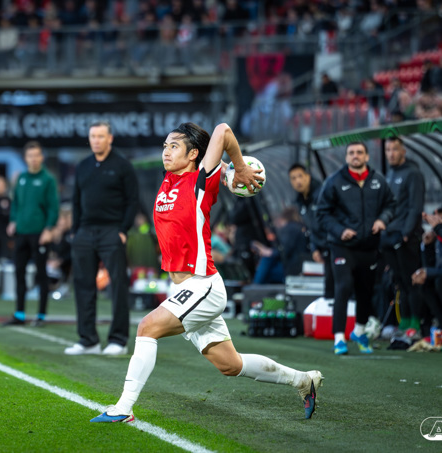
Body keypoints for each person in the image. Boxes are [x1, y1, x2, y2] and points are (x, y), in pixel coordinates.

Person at [90, 123, 322, 424]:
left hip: (203, 286)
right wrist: (227, 169)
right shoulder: (169, 178)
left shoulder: (200, 182)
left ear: (193, 155)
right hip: (183, 289)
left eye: (174, 146)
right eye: (165, 146)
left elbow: (223, 131)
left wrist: (238, 167)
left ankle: (123, 408)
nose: (166, 151)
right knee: (230, 365)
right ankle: (304, 380)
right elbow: (208, 157)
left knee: (147, 328)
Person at [65, 121, 139, 356]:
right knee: (83, 285)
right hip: (85, 232)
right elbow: (76, 200)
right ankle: (88, 340)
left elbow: (133, 201)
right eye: (93, 136)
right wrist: (75, 230)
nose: (96, 140)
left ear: (110, 139)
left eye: (100, 136)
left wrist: (123, 230)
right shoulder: (83, 166)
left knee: (118, 285)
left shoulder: (123, 165)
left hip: (111, 231)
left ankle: (118, 340)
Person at [317, 142, 395, 355]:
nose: (355, 156)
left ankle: (359, 332)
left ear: (367, 156)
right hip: (342, 246)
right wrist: (340, 230)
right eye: (351, 153)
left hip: (369, 245)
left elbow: (391, 204)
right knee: (343, 287)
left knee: (365, 290)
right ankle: (339, 338)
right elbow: (322, 213)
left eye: (360, 152)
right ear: (346, 157)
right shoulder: (334, 181)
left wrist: (383, 219)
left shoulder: (378, 181)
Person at [3, 141, 59, 327]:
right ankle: (19, 314)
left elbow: (53, 207)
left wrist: (49, 228)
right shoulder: (21, 178)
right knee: (19, 273)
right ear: (25, 158)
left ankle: (41, 315)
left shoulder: (48, 179)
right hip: (21, 233)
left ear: (41, 157)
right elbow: (16, 203)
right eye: (30, 156)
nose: (33, 159)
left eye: (36, 155)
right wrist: (13, 221)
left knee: (41, 275)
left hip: (39, 234)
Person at [381, 137, 425, 337]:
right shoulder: (390, 174)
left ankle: (415, 324)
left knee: (411, 281)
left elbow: (415, 206)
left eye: (395, 149)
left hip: (405, 237)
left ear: (403, 151)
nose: (391, 153)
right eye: (388, 149)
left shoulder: (413, 173)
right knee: (398, 282)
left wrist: (407, 233)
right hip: (389, 235)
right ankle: (404, 323)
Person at [288, 164, 333, 300]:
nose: (298, 181)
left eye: (300, 176)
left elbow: (331, 222)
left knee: (338, 286)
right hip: (323, 249)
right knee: (329, 288)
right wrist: (315, 249)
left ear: (308, 176)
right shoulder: (300, 201)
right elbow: (311, 227)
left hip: (335, 246)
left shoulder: (322, 194)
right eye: (293, 178)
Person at [411, 209, 442, 329]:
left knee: (439, 281)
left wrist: (428, 272)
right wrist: (427, 246)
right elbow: (431, 264)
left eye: (439, 219)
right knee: (424, 283)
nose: (436, 222)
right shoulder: (437, 238)